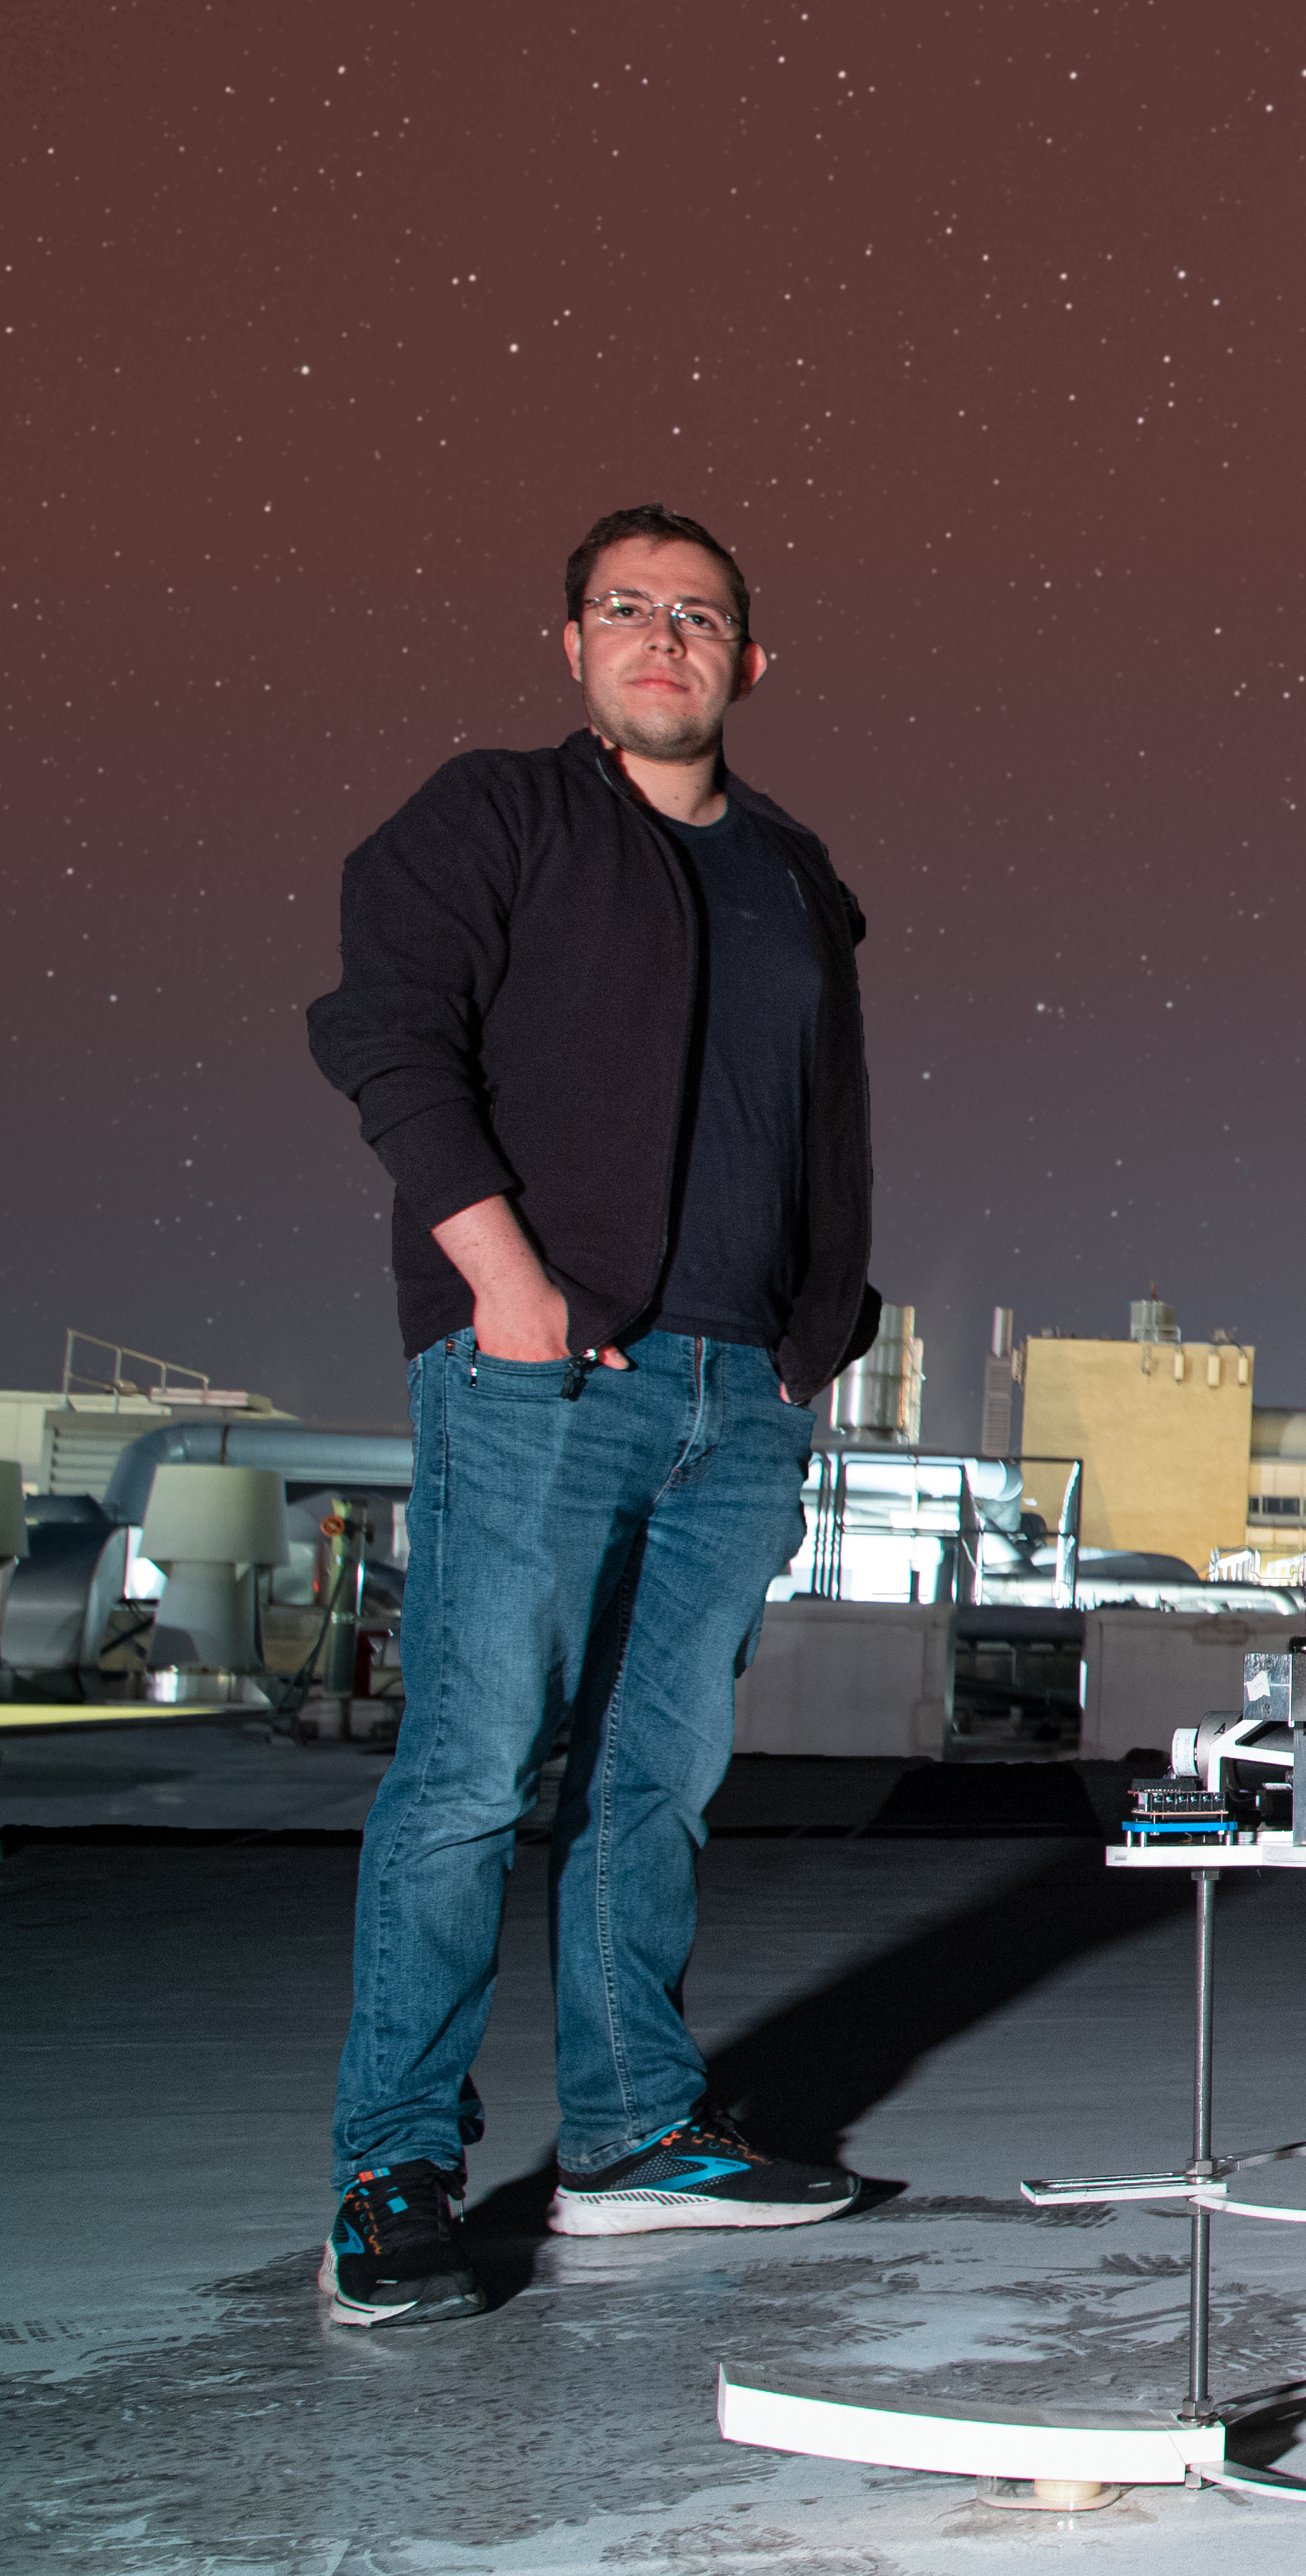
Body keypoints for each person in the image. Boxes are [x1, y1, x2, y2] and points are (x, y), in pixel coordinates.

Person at [304, 505, 882, 2326]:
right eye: (625, 609)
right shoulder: (497, 815)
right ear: (572, 645)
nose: (663, 638)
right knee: (475, 1771)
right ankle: (394, 2167)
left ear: (749, 661)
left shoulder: (793, 869)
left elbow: (823, 1116)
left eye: (698, 615)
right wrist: (508, 1285)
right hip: (550, 1371)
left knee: (660, 1781)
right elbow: (381, 1029)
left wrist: (817, 1337)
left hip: (743, 1393)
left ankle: (635, 2137)